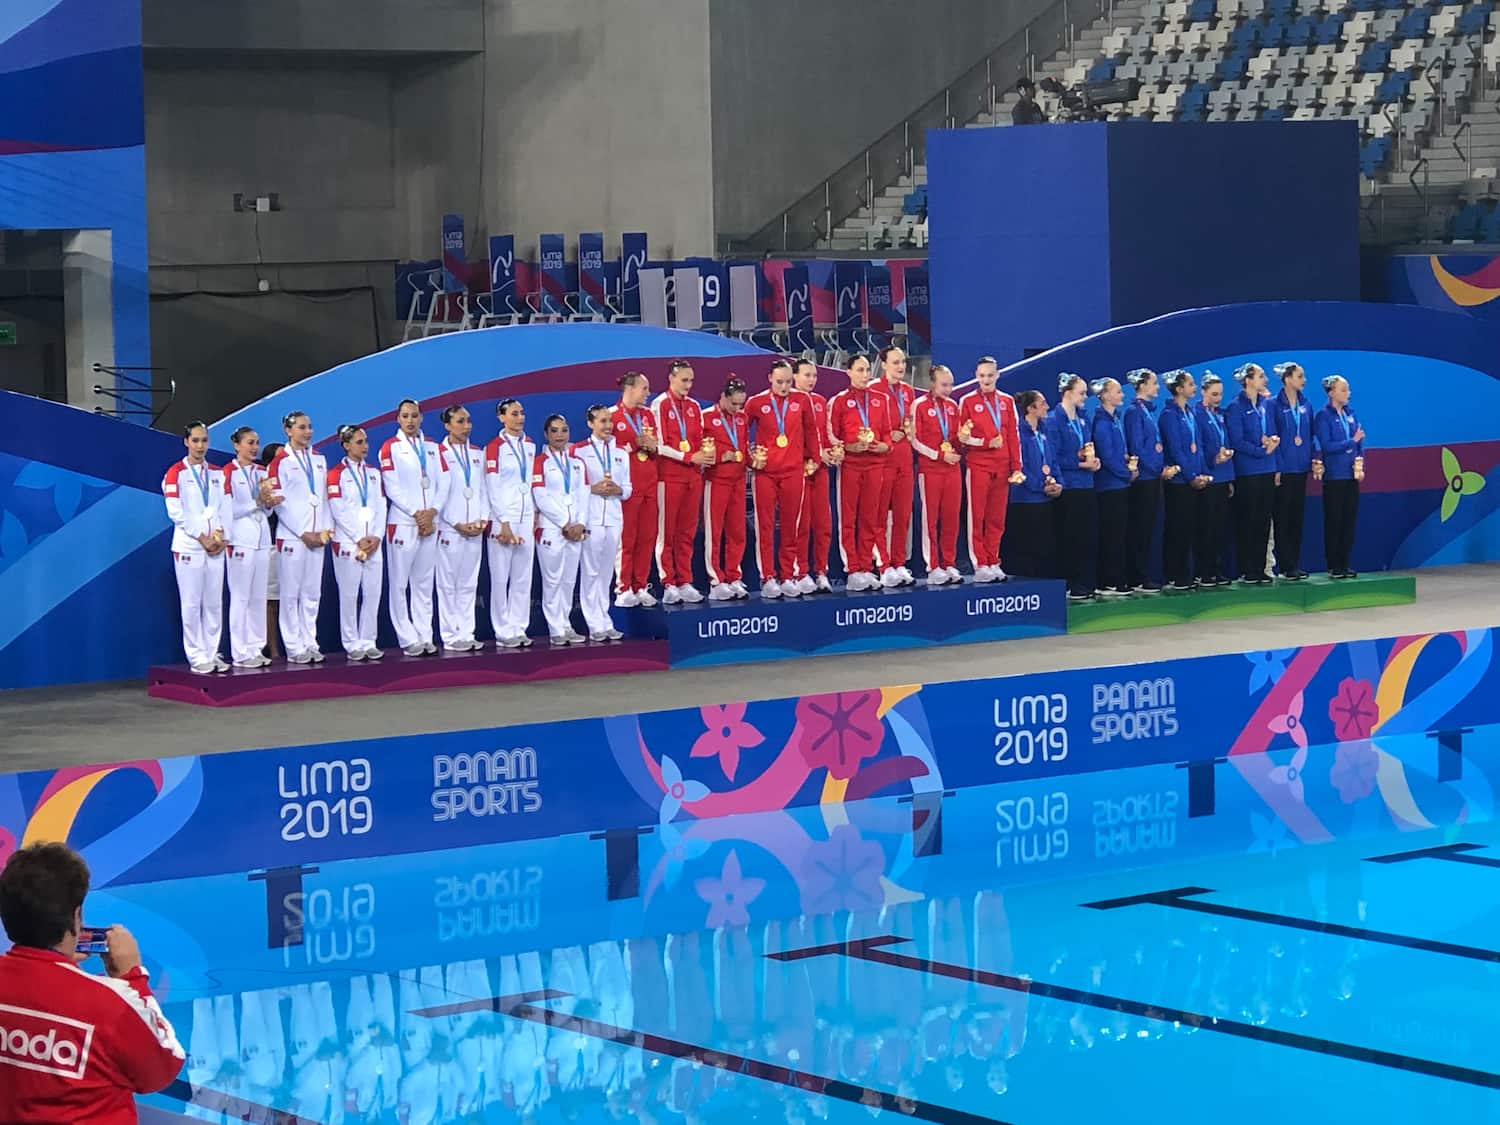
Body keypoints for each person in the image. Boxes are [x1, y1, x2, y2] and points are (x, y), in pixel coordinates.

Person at [0, 842, 185, 1123]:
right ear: (75, 917)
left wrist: (55, 967)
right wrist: (132, 978)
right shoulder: (110, 1004)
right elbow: (161, 1069)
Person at [746, 361, 817, 598]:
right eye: (779, 382)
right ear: (769, 378)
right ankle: (767, 577)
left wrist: (813, 458)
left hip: (793, 471)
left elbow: (811, 431)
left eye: (788, 382)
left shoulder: (802, 400)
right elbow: (739, 430)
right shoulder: (756, 402)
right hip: (765, 474)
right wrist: (750, 456)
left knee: (791, 526)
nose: (785, 386)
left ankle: (788, 575)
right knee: (765, 527)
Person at [829, 353, 898, 590]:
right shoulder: (839, 401)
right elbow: (831, 436)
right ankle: (852, 570)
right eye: (859, 370)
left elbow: (888, 433)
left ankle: (866, 567)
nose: (865, 374)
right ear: (848, 372)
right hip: (851, 466)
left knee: (870, 519)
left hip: (876, 465)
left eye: (867, 370)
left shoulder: (880, 399)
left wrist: (885, 445)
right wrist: (848, 447)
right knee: (849, 519)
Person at [163, 421, 227, 674]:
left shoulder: (217, 473)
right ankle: (196, 655)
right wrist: (202, 537)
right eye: (196, 441)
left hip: (215, 547)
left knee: (213, 603)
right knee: (191, 603)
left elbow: (223, 508)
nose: (200, 446)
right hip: (189, 546)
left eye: (204, 440)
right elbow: (175, 512)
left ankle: (212, 652)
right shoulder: (175, 473)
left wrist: (220, 536)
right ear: (186, 442)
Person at [379, 399, 441, 656]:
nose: (411, 420)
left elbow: (443, 483)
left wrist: (432, 511)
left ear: (421, 417)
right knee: (400, 584)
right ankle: (407, 638)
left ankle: (425, 635)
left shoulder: (433, 448)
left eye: (414, 415)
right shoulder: (390, 448)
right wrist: (417, 514)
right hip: (404, 523)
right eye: (405, 416)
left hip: (429, 522)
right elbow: (391, 486)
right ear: (398, 419)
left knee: (424, 584)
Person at [267, 412, 330, 663]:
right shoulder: (279, 461)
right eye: (302, 427)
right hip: (293, 537)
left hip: (317, 537)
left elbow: (323, 498)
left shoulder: (319, 459)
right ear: (288, 430)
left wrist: (324, 531)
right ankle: (294, 647)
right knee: (291, 594)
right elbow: (279, 503)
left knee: (312, 593)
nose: (307, 432)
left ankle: (310, 642)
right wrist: (302, 532)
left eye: (310, 427)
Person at [652, 360, 714, 603]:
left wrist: (704, 455)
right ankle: (668, 583)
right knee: (667, 533)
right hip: (669, 477)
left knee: (687, 532)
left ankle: (685, 580)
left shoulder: (694, 406)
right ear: (671, 378)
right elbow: (658, 445)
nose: (688, 385)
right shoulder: (660, 404)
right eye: (684, 380)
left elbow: (699, 438)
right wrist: (689, 456)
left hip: (692, 477)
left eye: (691, 380)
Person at [958, 356, 1023, 583]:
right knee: (977, 516)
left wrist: (1017, 466)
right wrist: (985, 443)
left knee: (997, 518)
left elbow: (1013, 436)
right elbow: (962, 438)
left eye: (990, 375)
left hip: (1002, 467)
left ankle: (993, 560)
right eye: (982, 375)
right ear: (976, 376)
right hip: (978, 466)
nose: (986, 379)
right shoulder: (966, 401)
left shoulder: (1006, 401)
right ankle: (980, 563)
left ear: (997, 375)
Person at [326, 424, 387, 660]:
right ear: (346, 445)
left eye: (366, 442)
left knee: (373, 594)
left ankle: (369, 639)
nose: (365, 447)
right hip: (348, 543)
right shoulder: (335, 474)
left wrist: (376, 536)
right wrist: (358, 538)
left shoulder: (374, 473)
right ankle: (352, 643)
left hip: (373, 542)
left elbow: (381, 506)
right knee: (350, 595)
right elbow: (338, 510)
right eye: (359, 442)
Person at [575, 404, 631, 639]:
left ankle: (605, 619)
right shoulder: (579, 451)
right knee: (591, 571)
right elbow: (574, 487)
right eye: (602, 421)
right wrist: (592, 489)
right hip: (591, 518)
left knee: (607, 572)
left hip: (614, 518)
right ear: (590, 423)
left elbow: (628, 489)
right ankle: (593, 623)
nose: (607, 426)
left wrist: (618, 489)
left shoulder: (620, 453)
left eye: (609, 421)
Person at [485, 398, 537, 648]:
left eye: (522, 413)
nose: (520, 418)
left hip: (526, 516)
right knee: (500, 577)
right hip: (503, 518)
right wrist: (503, 521)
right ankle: (503, 629)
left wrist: (534, 511)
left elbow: (530, 482)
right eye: (514, 414)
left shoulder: (530, 445)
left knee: (522, 577)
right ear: (501, 417)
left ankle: (519, 626)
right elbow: (492, 486)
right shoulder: (494, 447)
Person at [434, 404, 487, 652]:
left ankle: (467, 632)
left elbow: (483, 489)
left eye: (468, 421)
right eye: (460, 422)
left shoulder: (477, 453)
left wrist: (483, 520)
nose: (466, 426)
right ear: (447, 425)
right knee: (448, 585)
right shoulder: (437, 454)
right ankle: (450, 635)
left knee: (468, 584)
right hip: (450, 529)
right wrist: (456, 523)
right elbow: (438, 494)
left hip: (475, 528)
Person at [221, 426, 275, 668]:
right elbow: (229, 510)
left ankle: (256, 647)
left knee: (258, 596)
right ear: (237, 445)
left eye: (257, 443)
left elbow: (268, 509)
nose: (255, 448)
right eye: (250, 443)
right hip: (240, 540)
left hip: (262, 538)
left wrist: (268, 503)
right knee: (241, 597)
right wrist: (256, 503)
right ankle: (240, 651)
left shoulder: (262, 472)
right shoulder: (227, 473)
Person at [533, 413, 588, 644]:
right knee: (552, 580)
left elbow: (583, 495)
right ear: (546, 434)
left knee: (568, 581)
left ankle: (566, 624)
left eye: (563, 430)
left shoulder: (577, 463)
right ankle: (555, 629)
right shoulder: (539, 462)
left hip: (575, 529)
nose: (559, 435)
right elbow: (540, 496)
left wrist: (580, 523)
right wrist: (565, 523)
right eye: (554, 431)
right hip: (552, 529)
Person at [1046, 374, 1100, 601]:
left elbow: (1086, 447)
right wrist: (1080, 463)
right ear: (1067, 393)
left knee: (1087, 536)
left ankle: (1086, 581)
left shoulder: (1083, 418)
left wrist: (1094, 462)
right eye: (1081, 393)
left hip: (1087, 484)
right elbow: (1054, 456)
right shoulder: (1053, 420)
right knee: (1070, 537)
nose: (1085, 397)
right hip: (1069, 487)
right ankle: (1070, 583)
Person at [909, 363, 964, 585]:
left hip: (952, 469)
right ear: (932, 383)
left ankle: (949, 562)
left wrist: (962, 440)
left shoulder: (953, 406)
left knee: (951, 518)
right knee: (930, 519)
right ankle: (932, 567)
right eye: (944, 385)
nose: (948, 389)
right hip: (930, 469)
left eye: (951, 385)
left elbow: (957, 438)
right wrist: (939, 456)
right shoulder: (919, 405)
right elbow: (915, 440)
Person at [1226, 363, 1281, 584]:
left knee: (1263, 520)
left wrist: (1272, 447)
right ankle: (1248, 569)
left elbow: (1273, 433)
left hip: (1267, 469)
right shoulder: (1235, 407)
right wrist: (1261, 451)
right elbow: (1237, 441)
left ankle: (1261, 568)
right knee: (1248, 520)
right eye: (1261, 376)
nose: (1265, 379)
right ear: (1248, 380)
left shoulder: (1266, 404)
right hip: (1248, 471)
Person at [611, 372, 660, 607]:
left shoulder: (648, 415)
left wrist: (653, 446)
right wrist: (634, 445)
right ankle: (623, 588)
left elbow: (656, 444)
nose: (648, 393)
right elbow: (608, 452)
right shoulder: (612, 416)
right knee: (627, 538)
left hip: (649, 482)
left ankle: (641, 585)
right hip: (627, 488)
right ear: (629, 389)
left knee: (647, 538)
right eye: (644, 388)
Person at [1158, 370, 1210, 591]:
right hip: (1179, 482)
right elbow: (1176, 449)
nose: (1194, 387)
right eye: (1190, 384)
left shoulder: (1189, 411)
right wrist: (1190, 476)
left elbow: (1197, 447)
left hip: (1193, 479)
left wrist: (1202, 473)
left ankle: (1186, 573)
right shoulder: (1169, 415)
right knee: (1177, 528)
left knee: (1189, 529)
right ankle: (1174, 574)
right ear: (1179, 389)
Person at [703, 376, 753, 600]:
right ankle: (716, 580)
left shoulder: (741, 418)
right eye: (733, 403)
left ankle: (734, 576)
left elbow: (743, 447)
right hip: (716, 481)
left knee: (737, 532)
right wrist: (720, 457)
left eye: (740, 405)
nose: (736, 409)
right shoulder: (705, 418)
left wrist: (754, 460)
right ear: (722, 397)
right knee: (714, 532)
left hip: (738, 480)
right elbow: (698, 452)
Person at [792, 358, 839, 593]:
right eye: (807, 375)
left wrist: (834, 450)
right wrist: (813, 454)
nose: (811, 380)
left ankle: (821, 571)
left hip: (820, 470)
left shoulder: (821, 401)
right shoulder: (789, 401)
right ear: (794, 376)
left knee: (823, 524)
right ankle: (800, 573)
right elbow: (790, 439)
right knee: (801, 524)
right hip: (798, 471)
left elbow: (826, 433)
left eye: (814, 376)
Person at [1004, 390, 1062, 578]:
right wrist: (1039, 486)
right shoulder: (1018, 432)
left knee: (1044, 547)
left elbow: (1052, 460)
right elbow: (1020, 466)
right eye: (1042, 403)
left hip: (1044, 499)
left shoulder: (1044, 431)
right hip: (1025, 500)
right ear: (1031, 408)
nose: (1047, 407)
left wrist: (1058, 482)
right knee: (1027, 547)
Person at [873, 345, 917, 586]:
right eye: (896, 362)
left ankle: (899, 563)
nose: (901, 367)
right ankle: (884, 565)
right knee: (878, 517)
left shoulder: (908, 391)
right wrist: (890, 436)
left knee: (903, 516)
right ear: (884, 365)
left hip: (905, 461)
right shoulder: (873, 390)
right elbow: (867, 428)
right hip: (881, 461)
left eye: (903, 362)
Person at [1314, 375, 1365, 579]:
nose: (1348, 393)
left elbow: (1361, 442)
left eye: (1348, 389)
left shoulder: (1351, 414)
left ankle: (1345, 562)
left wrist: (1360, 462)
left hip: (1351, 475)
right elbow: (1327, 446)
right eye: (1343, 389)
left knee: (1348, 520)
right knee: (1334, 520)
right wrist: (1351, 442)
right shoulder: (1323, 416)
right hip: (1334, 476)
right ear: (1331, 392)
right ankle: (1333, 564)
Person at [1091, 378, 1135, 597]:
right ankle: (1107, 580)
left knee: (1120, 533)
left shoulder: (1114, 419)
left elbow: (1118, 453)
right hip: (1109, 486)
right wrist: (1127, 472)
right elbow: (1107, 457)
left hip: (1120, 483)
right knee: (1111, 534)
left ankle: (1116, 577)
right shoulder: (1102, 424)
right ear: (1105, 395)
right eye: (1118, 392)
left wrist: (1128, 465)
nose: (1122, 395)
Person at [1271, 361, 1313, 581]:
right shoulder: (1274, 405)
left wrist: (1314, 459)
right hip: (1284, 469)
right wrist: (1277, 468)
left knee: (1297, 518)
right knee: (1283, 518)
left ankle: (1294, 564)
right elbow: (1273, 437)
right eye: (1300, 376)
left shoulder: (1306, 405)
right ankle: (1284, 564)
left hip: (1300, 468)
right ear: (1287, 379)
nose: (1304, 380)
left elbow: (1310, 435)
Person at [1123, 368, 1163, 593]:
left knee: (1148, 528)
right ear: (1143, 385)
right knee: (1140, 527)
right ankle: (1136, 576)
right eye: (1154, 383)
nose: (1157, 387)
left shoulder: (1146, 411)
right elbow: (1137, 447)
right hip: (1145, 478)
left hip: (1153, 475)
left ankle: (1142, 573)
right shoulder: (1133, 412)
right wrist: (1155, 467)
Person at [1194, 372, 1235, 587]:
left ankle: (1217, 569)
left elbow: (1225, 440)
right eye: (1214, 394)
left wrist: (1229, 478)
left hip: (1223, 476)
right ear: (1203, 392)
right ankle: (1204, 570)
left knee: (1220, 527)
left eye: (1220, 394)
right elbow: (1198, 446)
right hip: (1208, 477)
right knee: (1207, 526)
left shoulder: (1220, 414)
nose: (1218, 398)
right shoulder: (1197, 414)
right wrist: (1211, 461)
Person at [258, 442, 285, 661]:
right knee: (270, 600)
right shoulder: (262, 482)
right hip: (269, 545)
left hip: (293, 545)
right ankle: (271, 647)